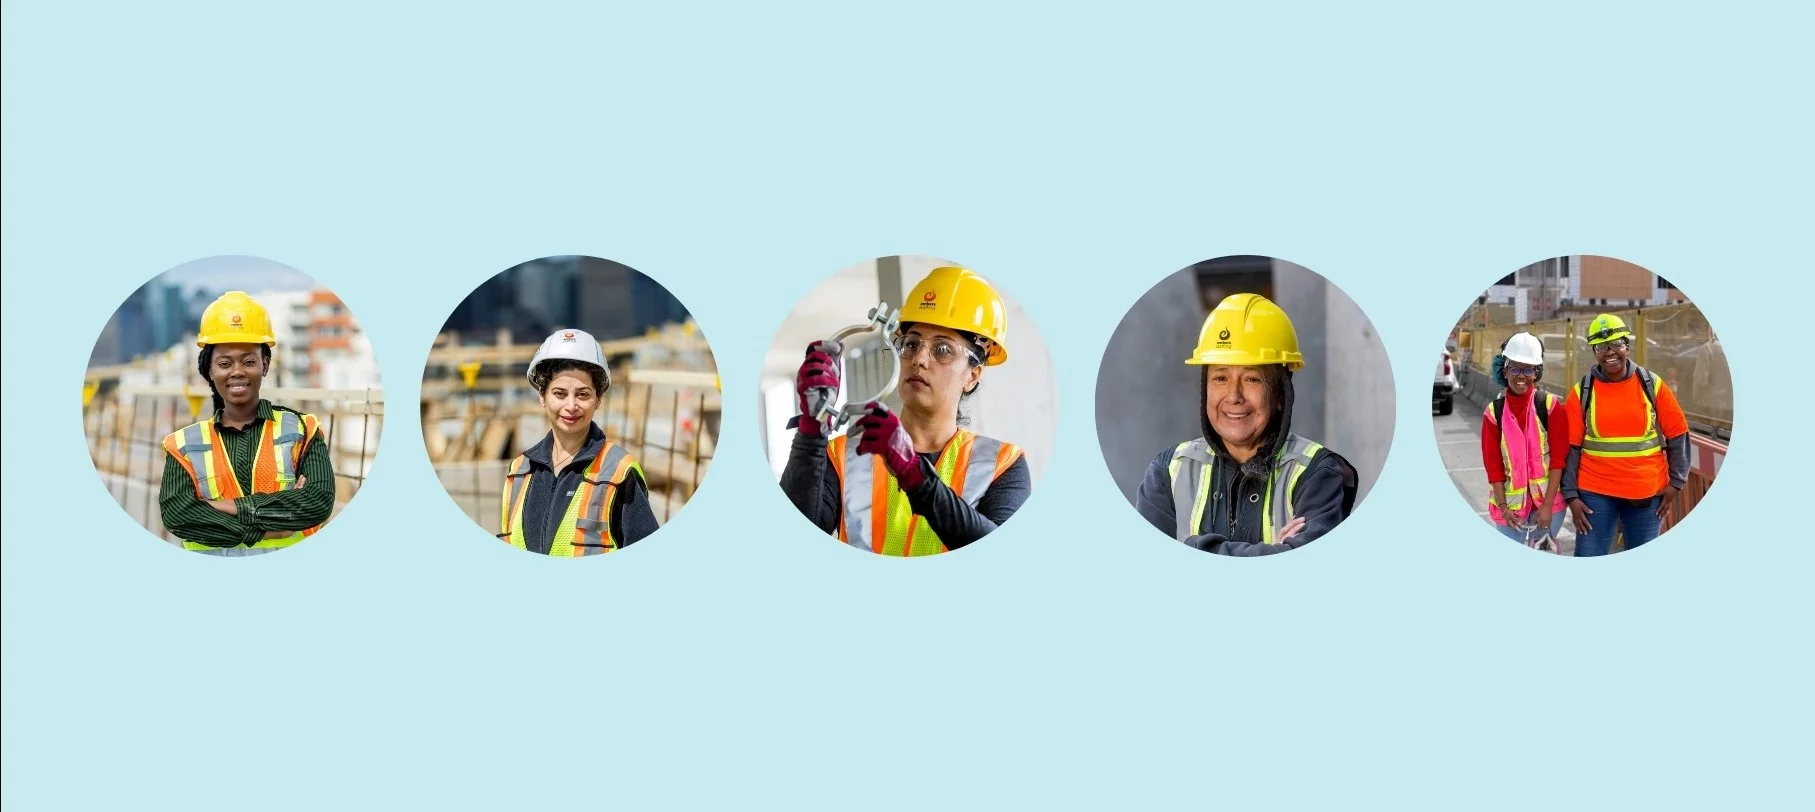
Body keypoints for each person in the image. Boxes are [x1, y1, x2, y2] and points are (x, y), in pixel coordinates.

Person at [780, 266, 1031, 556]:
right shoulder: (842, 456)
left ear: (972, 375)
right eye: (912, 344)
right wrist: (811, 435)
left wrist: (915, 475)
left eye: (943, 350)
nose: (919, 359)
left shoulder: (1002, 465)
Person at [1134, 293, 1358, 556]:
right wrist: (1275, 550)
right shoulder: (1168, 472)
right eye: (1220, 378)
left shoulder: (1316, 474)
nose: (1233, 396)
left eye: (1252, 379)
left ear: (1280, 394)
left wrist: (1193, 547)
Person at [158, 291, 335, 556]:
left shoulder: (302, 431)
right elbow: (178, 516)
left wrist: (227, 506)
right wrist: (271, 527)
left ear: (264, 365)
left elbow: (317, 503)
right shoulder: (184, 445)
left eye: (249, 361)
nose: (237, 371)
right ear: (209, 370)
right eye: (225, 363)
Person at [498, 328, 660, 555]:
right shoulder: (519, 472)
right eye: (560, 394)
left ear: (598, 399)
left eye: (583, 394)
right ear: (542, 396)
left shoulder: (619, 473)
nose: (571, 406)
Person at [1560, 313, 1692, 556]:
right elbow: (1570, 448)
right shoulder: (1582, 392)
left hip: (1647, 492)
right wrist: (1570, 495)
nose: (1610, 352)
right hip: (1595, 494)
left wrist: (1676, 483)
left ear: (1627, 347)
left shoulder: (1652, 385)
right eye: (1601, 346)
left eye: (1616, 344)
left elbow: (1678, 434)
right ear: (1594, 351)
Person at [1480, 332, 1567, 551]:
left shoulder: (1550, 406)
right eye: (1515, 368)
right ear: (1505, 369)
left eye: (1528, 369)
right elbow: (1494, 467)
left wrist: (1547, 507)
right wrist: (1503, 508)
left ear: (1536, 372)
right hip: (1510, 511)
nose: (1521, 376)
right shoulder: (1493, 414)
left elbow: (1558, 460)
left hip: (1549, 507)